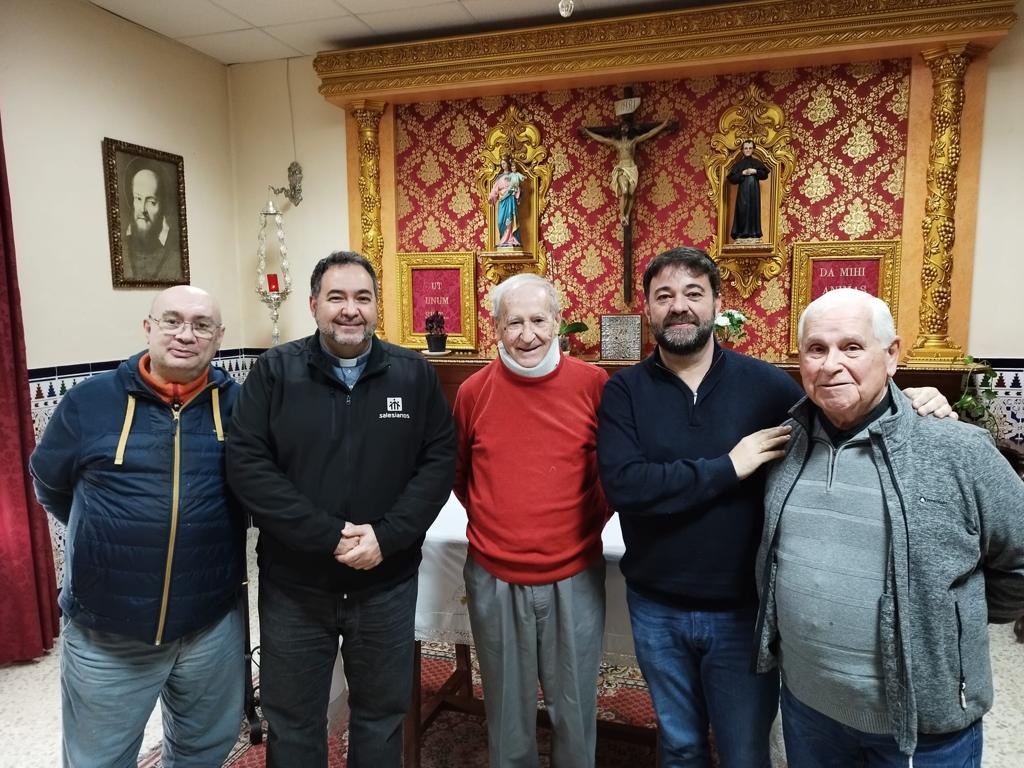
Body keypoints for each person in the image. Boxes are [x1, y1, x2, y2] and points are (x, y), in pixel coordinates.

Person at [596, 247, 954, 767]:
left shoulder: (765, 386)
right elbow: (626, 486)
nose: (679, 306)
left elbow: (846, 413)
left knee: (745, 751)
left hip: (746, 611)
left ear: (717, 303)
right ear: (648, 310)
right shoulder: (623, 391)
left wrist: (916, 400)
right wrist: (729, 466)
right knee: (679, 745)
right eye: (664, 296)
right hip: (656, 607)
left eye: (694, 293)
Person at [754, 288, 1024, 766]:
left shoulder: (957, 450)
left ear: (892, 354)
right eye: (816, 349)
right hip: (808, 709)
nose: (831, 364)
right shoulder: (786, 445)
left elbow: (1018, 558)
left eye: (852, 347)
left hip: (922, 725)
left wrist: (951, 624)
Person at [226, 251, 456, 767]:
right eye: (336, 297)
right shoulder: (274, 373)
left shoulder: (413, 375)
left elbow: (439, 462)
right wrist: (328, 535)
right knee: (292, 718)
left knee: (381, 714)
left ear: (378, 307)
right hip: (295, 585)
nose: (349, 310)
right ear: (313, 305)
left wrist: (386, 537)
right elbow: (248, 467)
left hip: (386, 583)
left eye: (362, 298)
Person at [30, 285, 245, 768]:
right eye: (172, 321)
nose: (186, 334)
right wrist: (107, 535)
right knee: (97, 760)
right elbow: (50, 483)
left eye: (201, 325)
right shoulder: (89, 402)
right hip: (107, 629)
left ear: (218, 338)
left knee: (203, 751)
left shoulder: (240, 407)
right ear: (148, 327)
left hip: (209, 624)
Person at [453, 273, 610, 768]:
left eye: (538, 320)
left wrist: (578, 528)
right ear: (495, 327)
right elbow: (461, 476)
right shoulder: (473, 393)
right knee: (506, 715)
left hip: (575, 575)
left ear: (558, 321)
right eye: (513, 322)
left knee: (576, 710)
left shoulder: (593, 385)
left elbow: (610, 473)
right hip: (495, 577)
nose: (527, 334)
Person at [579, 118, 672, 227]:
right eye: (623, 126)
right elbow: (601, 139)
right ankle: (622, 215)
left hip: (631, 168)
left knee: (631, 193)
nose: (624, 128)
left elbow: (649, 134)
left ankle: (626, 216)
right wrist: (588, 132)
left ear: (629, 129)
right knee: (625, 191)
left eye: (626, 127)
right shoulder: (616, 143)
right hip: (622, 168)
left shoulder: (633, 141)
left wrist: (663, 125)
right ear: (620, 129)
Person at [123, 160, 182, 282]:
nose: (143, 209)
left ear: (162, 208)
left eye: (151, 202)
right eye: (138, 198)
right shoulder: (122, 251)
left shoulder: (175, 259)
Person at [727, 139, 770, 240]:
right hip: (743, 193)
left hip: (754, 193)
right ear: (742, 150)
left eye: (750, 148)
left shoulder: (757, 163)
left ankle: (754, 233)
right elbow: (731, 178)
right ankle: (742, 233)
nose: (747, 150)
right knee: (742, 209)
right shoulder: (739, 164)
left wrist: (755, 171)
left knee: (753, 210)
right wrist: (743, 173)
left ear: (753, 150)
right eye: (746, 148)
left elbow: (764, 175)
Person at [488, 155, 525, 247]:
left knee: (510, 219)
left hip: (511, 200)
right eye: (501, 164)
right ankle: (503, 239)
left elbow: (519, 188)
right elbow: (495, 189)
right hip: (502, 201)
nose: (503, 166)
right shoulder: (499, 177)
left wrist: (515, 190)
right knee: (501, 221)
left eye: (504, 163)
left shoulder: (513, 175)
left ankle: (511, 239)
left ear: (508, 164)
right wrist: (491, 197)